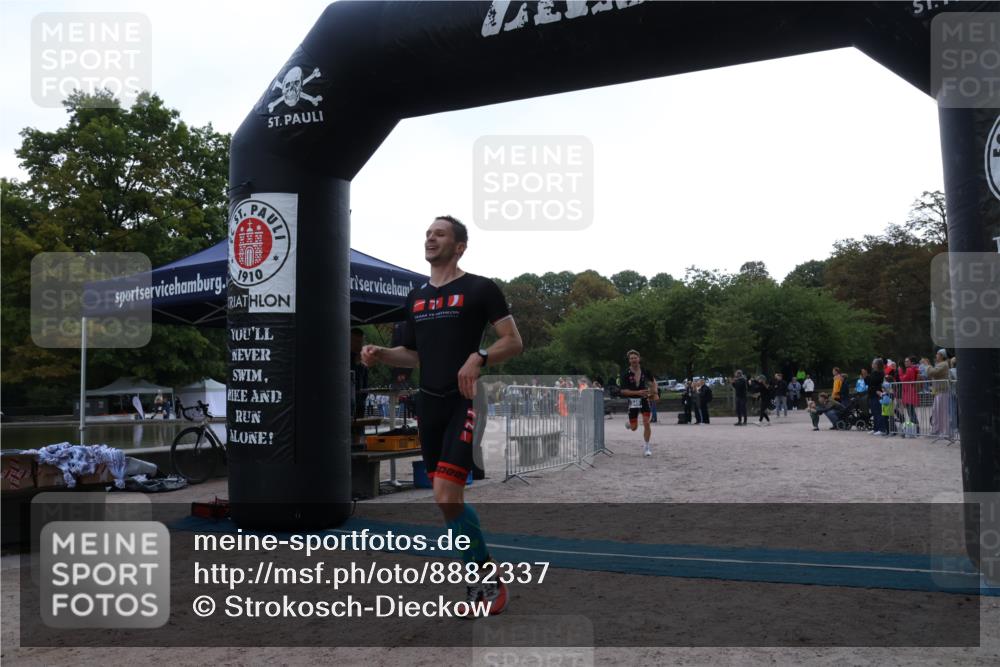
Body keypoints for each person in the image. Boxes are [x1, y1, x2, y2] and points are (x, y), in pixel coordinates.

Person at [361, 214, 523, 615]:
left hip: (463, 401)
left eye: (440, 234)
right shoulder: (415, 297)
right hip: (429, 405)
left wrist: (479, 356)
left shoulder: (480, 288)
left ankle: (485, 576)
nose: (430, 239)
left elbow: (513, 341)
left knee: (445, 494)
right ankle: (480, 574)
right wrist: (381, 353)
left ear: (460, 246)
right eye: (428, 234)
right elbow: (412, 355)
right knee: (448, 502)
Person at [620, 349, 658, 456]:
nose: (633, 360)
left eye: (635, 358)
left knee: (646, 422)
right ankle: (629, 424)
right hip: (632, 401)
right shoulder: (625, 374)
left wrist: (655, 392)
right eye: (631, 358)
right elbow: (623, 391)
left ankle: (647, 447)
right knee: (634, 428)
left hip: (644, 399)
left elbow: (653, 381)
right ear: (629, 360)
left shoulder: (645, 371)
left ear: (639, 359)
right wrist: (638, 392)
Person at [927, 349, 951, 437]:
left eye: (937, 354)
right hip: (938, 391)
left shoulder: (944, 364)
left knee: (943, 412)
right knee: (936, 411)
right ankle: (936, 430)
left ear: (942, 355)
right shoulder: (940, 364)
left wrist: (928, 365)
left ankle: (945, 432)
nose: (936, 355)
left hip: (943, 391)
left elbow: (932, 372)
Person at [898, 356, 920, 434]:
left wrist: (900, 372)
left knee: (911, 411)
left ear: (911, 362)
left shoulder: (909, 369)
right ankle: (915, 428)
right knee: (910, 411)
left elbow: (903, 379)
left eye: (907, 361)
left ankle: (916, 428)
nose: (905, 363)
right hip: (907, 391)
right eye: (905, 361)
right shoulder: (910, 369)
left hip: (909, 392)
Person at [351, 327, 369, 419]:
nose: (359, 345)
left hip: (360, 406)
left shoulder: (364, 365)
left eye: (361, 342)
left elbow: (365, 387)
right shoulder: (343, 361)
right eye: (356, 341)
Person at [868, 358, 886, 435]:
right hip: (872, 394)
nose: (872, 364)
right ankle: (875, 428)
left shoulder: (880, 373)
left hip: (877, 394)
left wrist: (876, 390)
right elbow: (870, 383)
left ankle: (881, 429)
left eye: (873, 363)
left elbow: (877, 383)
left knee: (878, 412)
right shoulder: (873, 372)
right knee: (874, 412)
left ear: (877, 365)